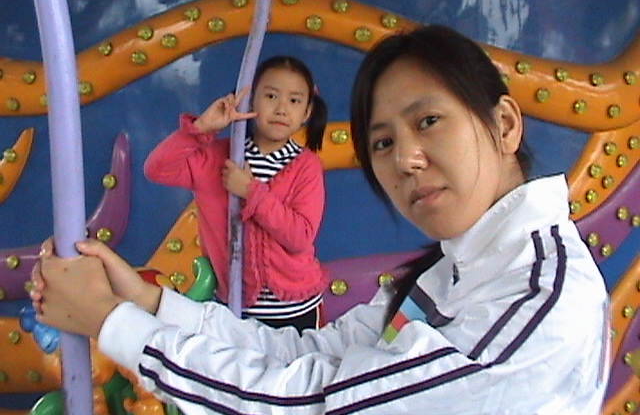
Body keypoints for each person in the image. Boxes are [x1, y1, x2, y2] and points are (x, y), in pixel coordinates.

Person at [31, 25, 609, 415]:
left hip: (290, 294)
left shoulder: (540, 300)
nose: (406, 160)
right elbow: (313, 355)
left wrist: (113, 323)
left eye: (428, 121)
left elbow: (316, 402)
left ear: (505, 125)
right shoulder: (446, 275)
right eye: (382, 143)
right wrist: (149, 303)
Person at [143, 55, 329, 333]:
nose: (281, 109)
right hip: (235, 308)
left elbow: (300, 236)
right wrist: (201, 129)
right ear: (250, 101)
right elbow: (157, 169)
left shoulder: (306, 166)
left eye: (294, 100)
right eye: (271, 96)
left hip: (296, 309)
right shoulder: (216, 158)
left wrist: (251, 192)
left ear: (307, 112)